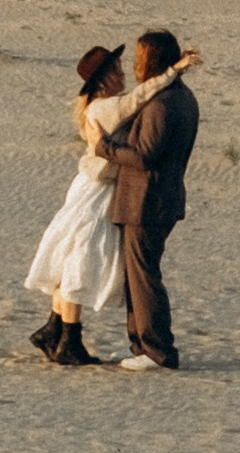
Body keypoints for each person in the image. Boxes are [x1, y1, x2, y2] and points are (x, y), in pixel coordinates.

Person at [26, 41, 200, 366]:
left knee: (72, 252)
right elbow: (139, 98)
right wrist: (173, 70)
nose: (126, 72)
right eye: (117, 69)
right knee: (78, 254)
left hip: (103, 189)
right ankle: (67, 336)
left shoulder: (109, 104)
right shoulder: (104, 107)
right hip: (96, 190)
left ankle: (59, 332)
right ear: (103, 80)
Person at [109, 27, 201, 371]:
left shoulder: (164, 102)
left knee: (144, 276)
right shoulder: (178, 96)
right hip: (156, 200)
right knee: (140, 275)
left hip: (148, 202)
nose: (135, 65)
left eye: (139, 58)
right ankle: (144, 347)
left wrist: (107, 148)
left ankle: (155, 350)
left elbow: (144, 155)